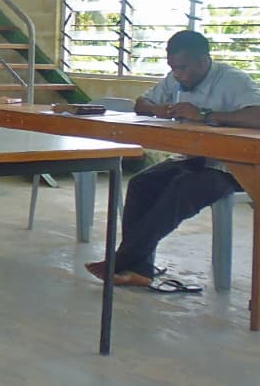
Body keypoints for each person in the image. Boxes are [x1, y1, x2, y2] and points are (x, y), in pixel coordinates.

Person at [85, 30, 260, 289]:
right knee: (142, 183)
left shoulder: (234, 80)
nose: (177, 74)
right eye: (173, 68)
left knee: (183, 188)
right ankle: (140, 270)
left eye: (183, 68)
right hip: (193, 158)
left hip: (231, 167)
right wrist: (157, 109)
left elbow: (256, 116)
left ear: (203, 62)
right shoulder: (174, 79)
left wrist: (205, 114)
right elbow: (141, 103)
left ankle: (122, 259)